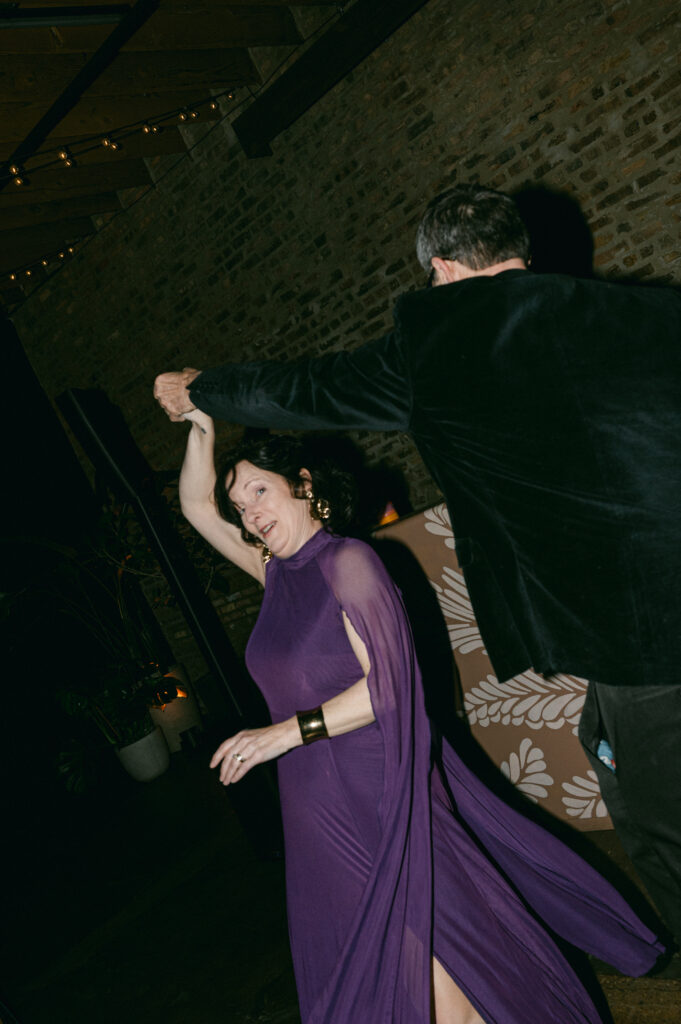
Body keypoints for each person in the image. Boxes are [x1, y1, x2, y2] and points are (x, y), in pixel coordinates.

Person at [154, 184, 681, 945]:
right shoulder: (637, 313)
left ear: (439, 268)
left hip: (646, 628)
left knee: (654, 816)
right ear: (520, 254)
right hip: (625, 634)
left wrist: (200, 387)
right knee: (610, 748)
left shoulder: (440, 343)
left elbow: (308, 387)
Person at [176, 409, 661, 1023]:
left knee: (435, 959)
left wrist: (286, 733)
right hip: (314, 807)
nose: (249, 514)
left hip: (381, 790)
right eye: (240, 505)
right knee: (389, 960)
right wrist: (201, 422)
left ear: (303, 485)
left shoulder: (347, 562)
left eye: (259, 492)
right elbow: (196, 507)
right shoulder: (274, 574)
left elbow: (392, 687)